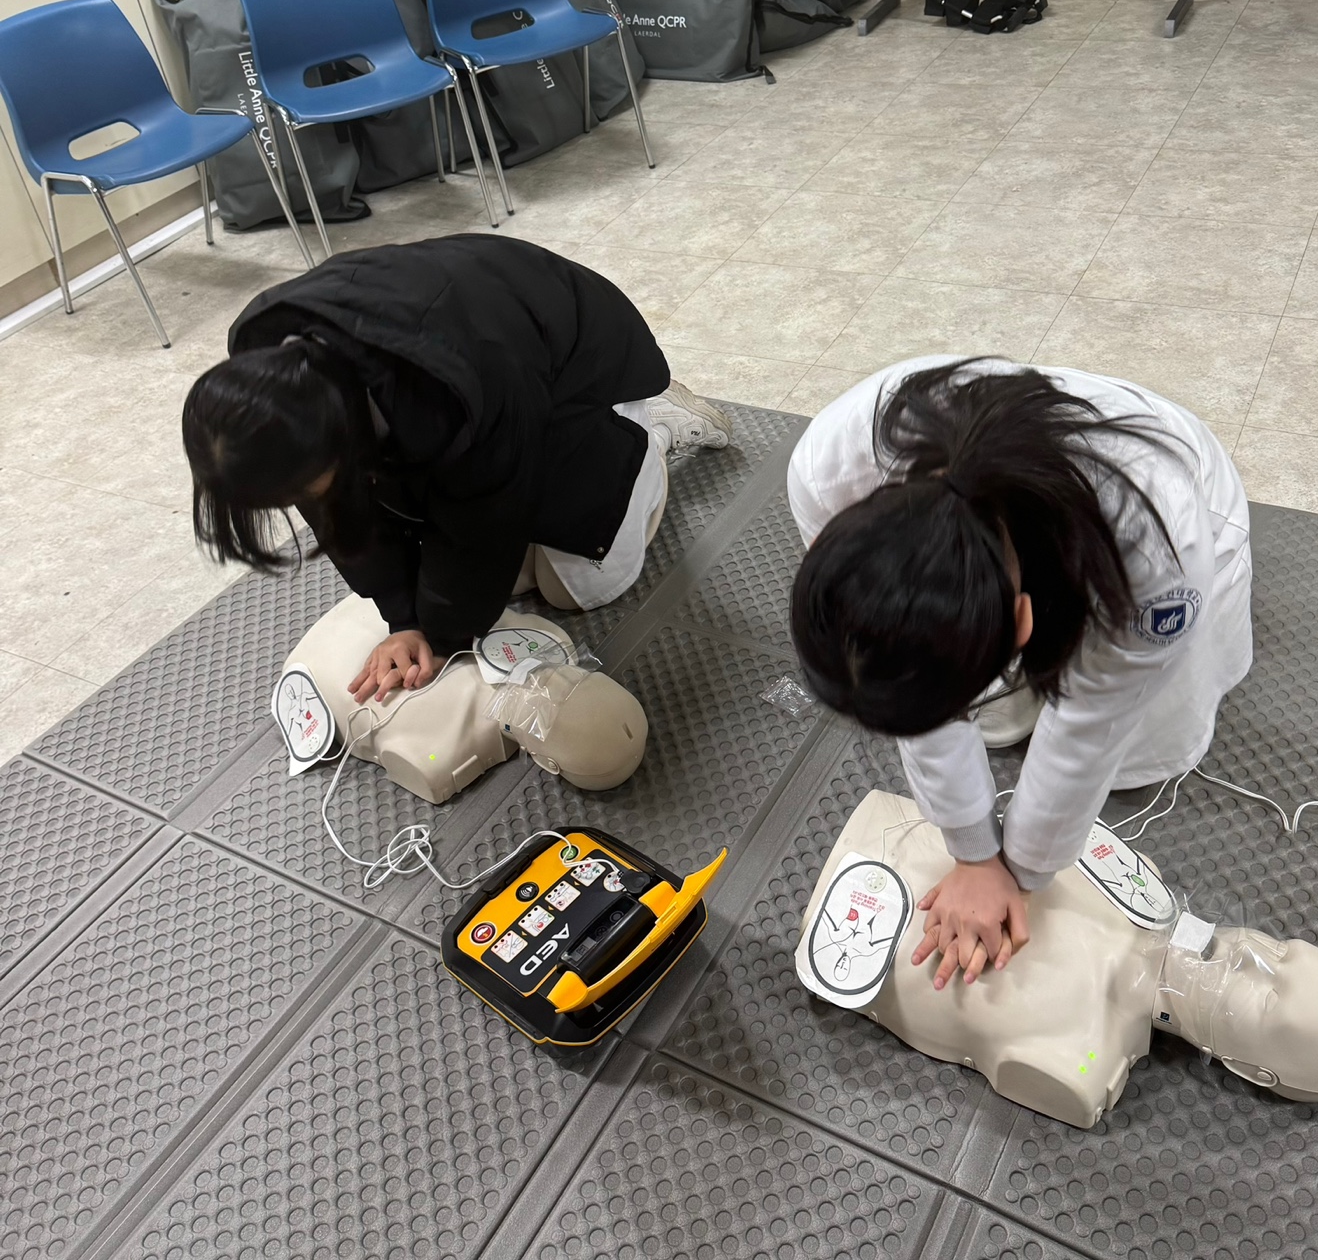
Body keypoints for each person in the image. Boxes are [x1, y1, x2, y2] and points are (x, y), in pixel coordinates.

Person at [788, 356, 1252, 992]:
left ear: (1024, 622)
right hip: (1014, 528)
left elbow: (1092, 727)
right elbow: (898, 665)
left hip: (1173, 505)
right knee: (990, 724)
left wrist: (1022, 870)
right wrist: (972, 850)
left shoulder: (1162, 557)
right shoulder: (828, 471)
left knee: (1144, 757)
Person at [183, 234, 730, 705]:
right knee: (492, 586)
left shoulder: (462, 385)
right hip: (482, 367)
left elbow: (483, 519)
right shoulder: (271, 386)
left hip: (584, 372)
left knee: (581, 588)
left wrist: (439, 637)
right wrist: (403, 619)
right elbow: (336, 505)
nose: (300, 502)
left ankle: (651, 430)